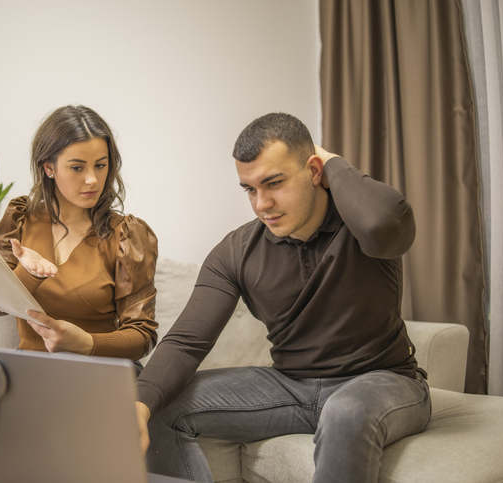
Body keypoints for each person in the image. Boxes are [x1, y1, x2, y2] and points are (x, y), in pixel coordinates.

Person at [134, 112, 431, 482]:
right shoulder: (236, 251)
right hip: (291, 387)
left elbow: (384, 224)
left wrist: (330, 160)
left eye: (274, 183)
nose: (262, 204)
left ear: (314, 171)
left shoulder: (360, 223)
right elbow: (187, 342)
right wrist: (140, 404)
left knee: (345, 410)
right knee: (158, 406)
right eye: (250, 189)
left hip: (382, 380)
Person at [0, 105, 158, 362]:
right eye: (77, 168)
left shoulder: (126, 235)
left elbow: (143, 335)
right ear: (49, 168)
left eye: (100, 165)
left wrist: (86, 343)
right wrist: (28, 274)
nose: (92, 179)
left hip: (100, 372)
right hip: (32, 370)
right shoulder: (20, 220)